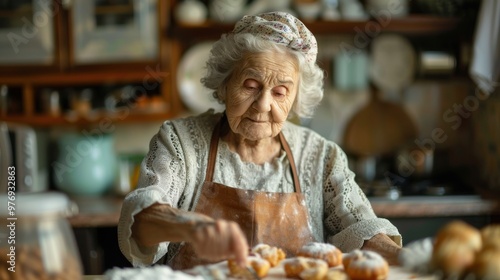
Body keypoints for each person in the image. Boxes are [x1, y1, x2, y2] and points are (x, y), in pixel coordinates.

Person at [118, 11, 402, 270]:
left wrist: (411, 260)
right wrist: (189, 226)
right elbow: (140, 218)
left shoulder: (322, 156)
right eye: (251, 86)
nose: (263, 104)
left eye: (280, 92)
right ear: (225, 84)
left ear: (296, 99)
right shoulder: (181, 142)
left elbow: (362, 228)